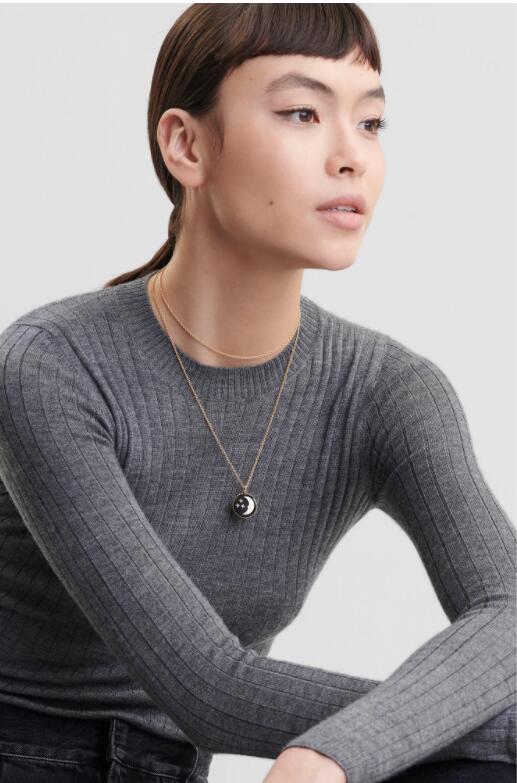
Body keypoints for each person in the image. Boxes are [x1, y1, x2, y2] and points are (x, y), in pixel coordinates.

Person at [0, 4, 515, 783]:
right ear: (187, 144)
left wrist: (347, 747)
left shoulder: (386, 391)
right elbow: (204, 686)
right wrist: (368, 741)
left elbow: (506, 611)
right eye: (302, 113)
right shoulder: (54, 365)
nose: (351, 156)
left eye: (370, 122)